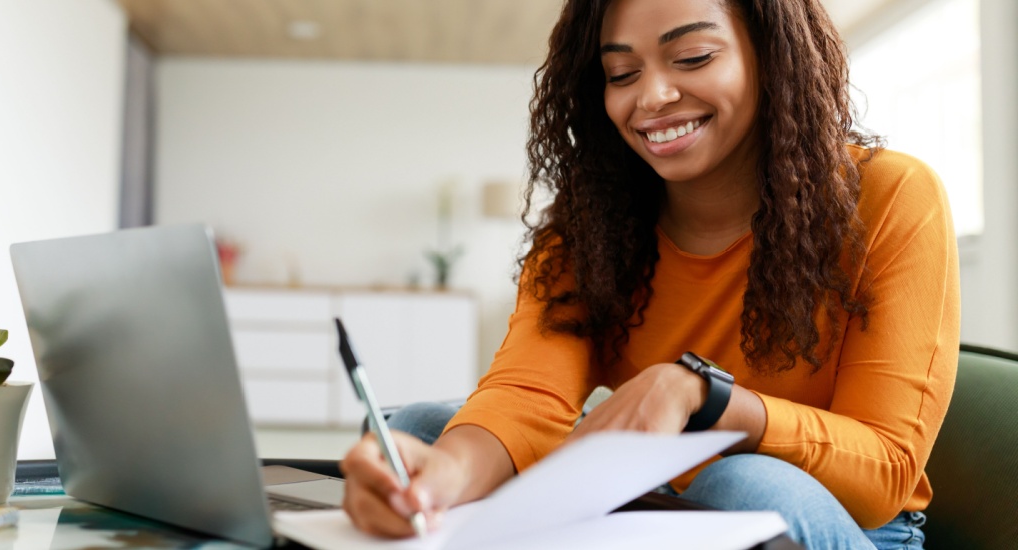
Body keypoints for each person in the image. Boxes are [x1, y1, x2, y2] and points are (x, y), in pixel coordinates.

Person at [339, 0, 959, 548]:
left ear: (771, 56)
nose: (651, 97)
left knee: (744, 482)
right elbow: (528, 395)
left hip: (845, 523)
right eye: (622, 73)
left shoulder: (891, 196)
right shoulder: (590, 227)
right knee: (420, 429)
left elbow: (886, 473)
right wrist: (437, 480)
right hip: (659, 504)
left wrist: (702, 396)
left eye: (691, 57)